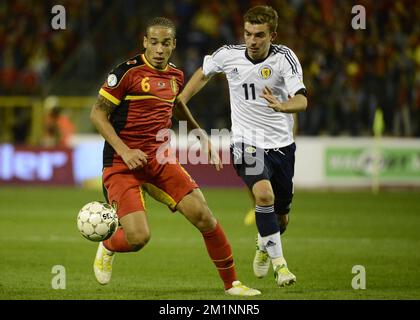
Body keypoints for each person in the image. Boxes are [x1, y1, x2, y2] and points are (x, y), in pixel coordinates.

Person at [89, 17, 260, 296]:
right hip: (122, 164)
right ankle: (108, 245)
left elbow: (176, 104)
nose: (159, 49)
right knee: (139, 238)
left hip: (159, 160)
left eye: (165, 43)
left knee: (204, 216)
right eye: (153, 42)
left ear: (173, 45)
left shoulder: (175, 76)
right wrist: (125, 150)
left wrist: (200, 134)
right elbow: (97, 114)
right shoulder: (126, 74)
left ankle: (232, 284)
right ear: (145, 42)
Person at [178, 5, 307, 287]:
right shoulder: (229, 54)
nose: (252, 40)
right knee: (263, 196)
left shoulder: (285, 58)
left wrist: (283, 106)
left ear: (273, 34)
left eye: (259, 35)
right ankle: (281, 266)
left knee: (281, 219)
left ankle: (264, 243)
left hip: (282, 146)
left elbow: (302, 100)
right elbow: (203, 73)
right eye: (248, 33)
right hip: (245, 142)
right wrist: (181, 101)